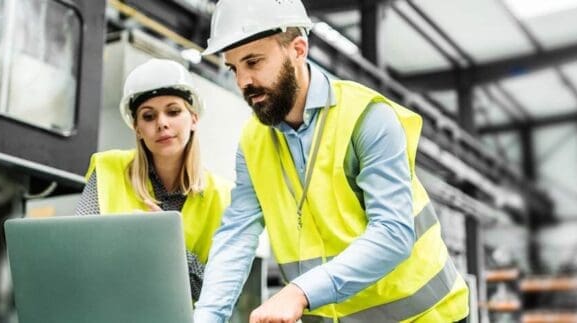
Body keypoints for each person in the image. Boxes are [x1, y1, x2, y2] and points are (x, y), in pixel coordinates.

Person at [193, 0, 469, 322]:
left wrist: (300, 292)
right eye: (234, 68)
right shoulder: (253, 143)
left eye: (253, 62)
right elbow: (237, 235)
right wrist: (208, 315)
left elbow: (393, 233)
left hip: (426, 316)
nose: (243, 81)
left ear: (298, 50)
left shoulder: (366, 119)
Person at [74, 58, 232, 301]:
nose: (162, 123)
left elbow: (218, 290)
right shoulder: (108, 170)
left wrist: (169, 244)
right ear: (137, 129)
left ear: (193, 119)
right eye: (148, 116)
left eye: (173, 111)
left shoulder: (222, 196)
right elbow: (79, 253)